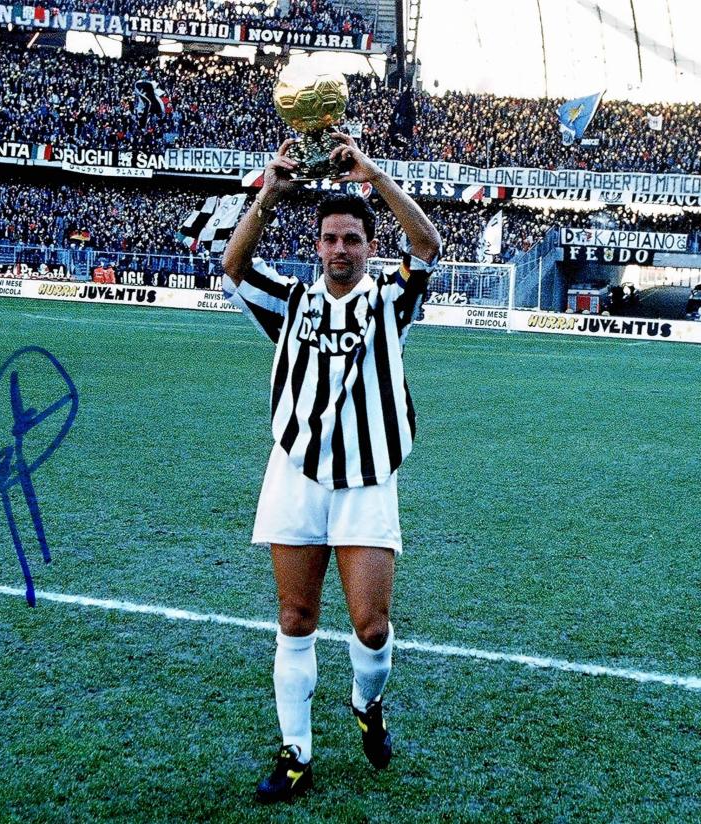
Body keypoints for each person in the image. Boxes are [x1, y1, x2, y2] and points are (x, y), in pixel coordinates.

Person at [221, 132, 442, 804]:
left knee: (371, 626)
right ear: (316, 246)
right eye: (329, 239)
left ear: (369, 247)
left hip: (368, 477)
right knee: (295, 618)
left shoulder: (390, 301)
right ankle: (297, 754)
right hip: (296, 474)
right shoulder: (290, 302)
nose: (340, 248)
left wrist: (373, 175)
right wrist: (268, 196)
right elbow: (234, 265)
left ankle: (367, 703)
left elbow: (428, 245)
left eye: (352, 238)